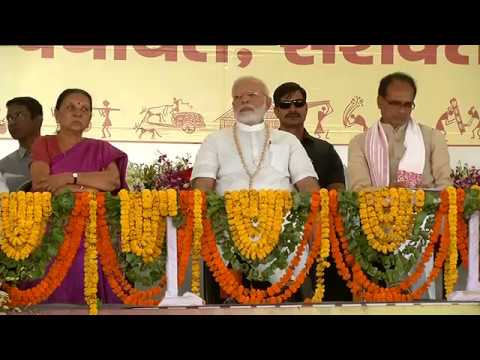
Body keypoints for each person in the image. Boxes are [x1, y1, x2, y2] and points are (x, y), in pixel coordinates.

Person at [191, 76, 320, 303]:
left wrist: (315, 228)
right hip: (229, 233)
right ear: (232, 106)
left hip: (283, 233)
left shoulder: (287, 141)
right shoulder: (214, 141)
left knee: (288, 303)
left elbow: (309, 188)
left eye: (251, 95)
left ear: (268, 103)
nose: (244, 100)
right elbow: (201, 190)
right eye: (238, 98)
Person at [29, 88, 128, 304]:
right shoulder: (43, 144)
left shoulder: (100, 148)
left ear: (91, 117)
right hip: (54, 234)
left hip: (94, 235)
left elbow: (112, 181)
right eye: (70, 107)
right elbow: (41, 185)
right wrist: (91, 189)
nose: (78, 113)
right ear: (56, 113)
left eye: (85, 109)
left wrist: (68, 178)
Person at [273, 81, 351, 301]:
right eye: (286, 105)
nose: (293, 109)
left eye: (298, 103)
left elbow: (338, 191)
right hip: (275, 234)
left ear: (306, 108)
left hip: (321, 233)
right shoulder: (265, 147)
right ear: (276, 111)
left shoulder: (324, 150)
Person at [348, 72, 452, 191]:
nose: (402, 110)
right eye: (395, 103)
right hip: (376, 209)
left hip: (427, 207)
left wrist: (422, 195)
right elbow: (358, 190)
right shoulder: (359, 143)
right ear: (379, 102)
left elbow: (446, 188)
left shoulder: (433, 137)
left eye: (407, 105)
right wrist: (389, 192)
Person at [0, 97, 43, 191]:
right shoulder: (3, 166)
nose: (12, 122)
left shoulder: (61, 158)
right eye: (9, 118)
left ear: (38, 120)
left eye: (19, 115)